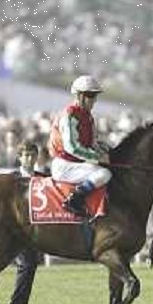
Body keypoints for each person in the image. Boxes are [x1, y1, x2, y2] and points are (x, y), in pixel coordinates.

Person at [48, 75, 111, 217]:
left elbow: (93, 143)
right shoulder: (69, 116)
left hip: (77, 163)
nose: (94, 100)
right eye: (90, 95)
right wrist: (98, 158)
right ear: (79, 96)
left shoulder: (88, 116)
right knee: (104, 173)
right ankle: (74, 200)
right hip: (65, 165)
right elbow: (72, 148)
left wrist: (106, 152)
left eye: (95, 96)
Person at [8, 142, 44, 304]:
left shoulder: (44, 179)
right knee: (27, 264)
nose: (30, 158)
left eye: (32, 155)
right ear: (19, 157)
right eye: (26, 155)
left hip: (34, 232)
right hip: (12, 230)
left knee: (29, 264)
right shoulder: (9, 181)